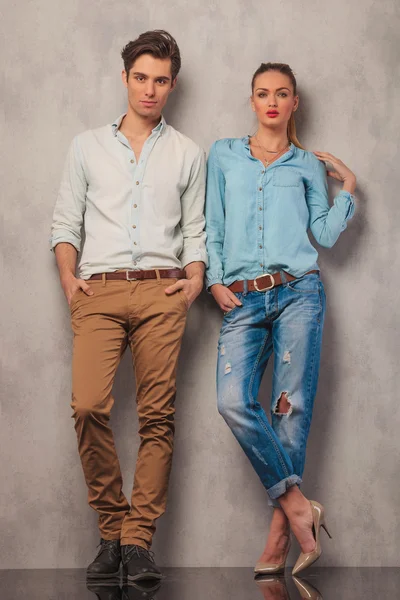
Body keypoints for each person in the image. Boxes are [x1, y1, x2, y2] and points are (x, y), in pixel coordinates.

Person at [50, 30, 207, 582]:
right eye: (140, 77)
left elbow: (195, 231)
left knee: (156, 418)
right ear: (125, 78)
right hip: (98, 290)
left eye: (161, 80)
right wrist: (70, 280)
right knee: (90, 405)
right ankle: (112, 528)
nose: (150, 89)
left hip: (164, 293)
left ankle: (138, 540)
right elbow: (66, 222)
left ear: (172, 84)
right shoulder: (86, 145)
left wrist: (194, 281)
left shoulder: (188, 152)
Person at [205, 62, 356, 576]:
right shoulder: (224, 155)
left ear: (295, 103)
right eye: (263, 93)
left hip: (299, 294)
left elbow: (326, 235)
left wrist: (349, 188)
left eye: (283, 94)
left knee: (290, 413)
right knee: (232, 401)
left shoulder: (307, 166)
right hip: (242, 299)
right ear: (252, 100)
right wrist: (215, 280)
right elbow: (214, 223)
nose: (272, 101)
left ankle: (276, 546)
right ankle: (299, 509)